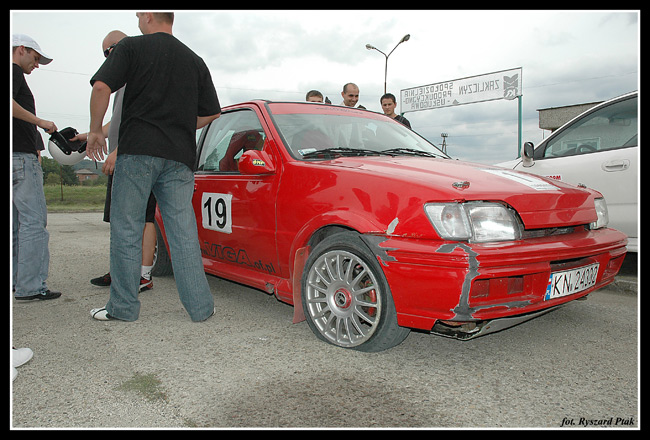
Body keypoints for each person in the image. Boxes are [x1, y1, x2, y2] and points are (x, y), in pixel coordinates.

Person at [86, 12, 221, 322]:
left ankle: (122, 308)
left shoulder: (132, 47)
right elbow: (210, 114)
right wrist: (180, 124)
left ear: (148, 16)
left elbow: (101, 87)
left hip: (137, 153)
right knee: (183, 232)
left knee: (127, 229)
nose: (135, 16)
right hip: (179, 158)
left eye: (138, 12)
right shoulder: (195, 59)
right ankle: (201, 309)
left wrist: (95, 130)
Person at [74, 30, 157, 292]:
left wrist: (119, 150)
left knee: (142, 218)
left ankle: (143, 275)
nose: (107, 60)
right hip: (124, 153)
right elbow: (119, 121)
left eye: (108, 53)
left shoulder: (137, 75)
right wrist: (91, 134)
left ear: (117, 50)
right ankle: (122, 269)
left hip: (135, 156)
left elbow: (144, 119)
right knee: (122, 218)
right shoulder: (122, 81)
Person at [11, 34, 61, 301]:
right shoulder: (14, 72)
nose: (37, 65)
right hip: (20, 159)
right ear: (21, 50)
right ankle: (31, 287)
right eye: (36, 58)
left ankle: (18, 281)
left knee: (16, 224)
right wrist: (40, 121)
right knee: (33, 224)